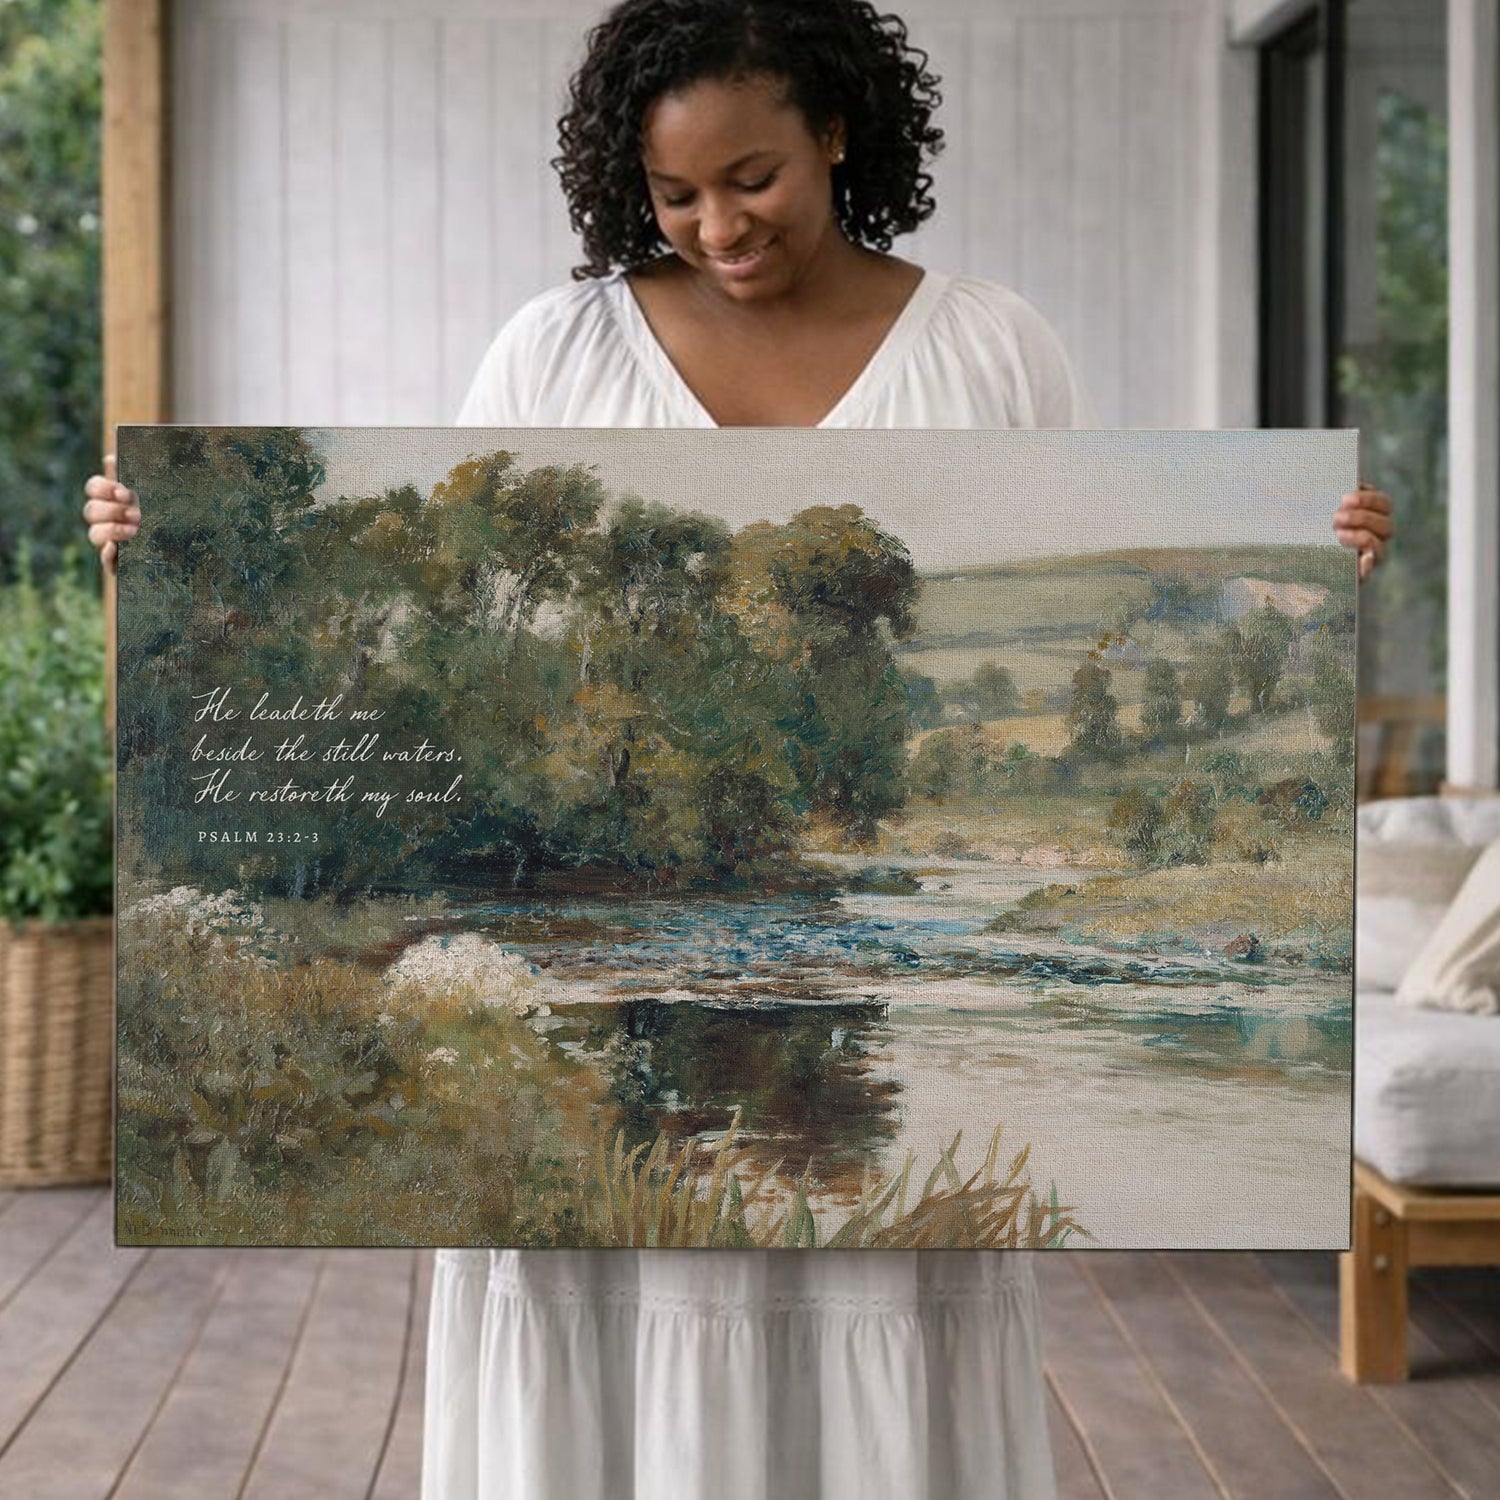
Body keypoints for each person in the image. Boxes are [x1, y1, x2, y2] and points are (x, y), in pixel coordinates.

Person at [85, 2, 1394, 1496]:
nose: (720, 225)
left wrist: (1313, 576)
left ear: (839, 130)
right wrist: (173, 551)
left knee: (873, 1290)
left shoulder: (986, 346)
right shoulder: (552, 349)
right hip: (586, 1228)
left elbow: (1087, 533)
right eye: (676, 194)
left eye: (754, 176)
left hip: (869, 1194)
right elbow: (405, 643)